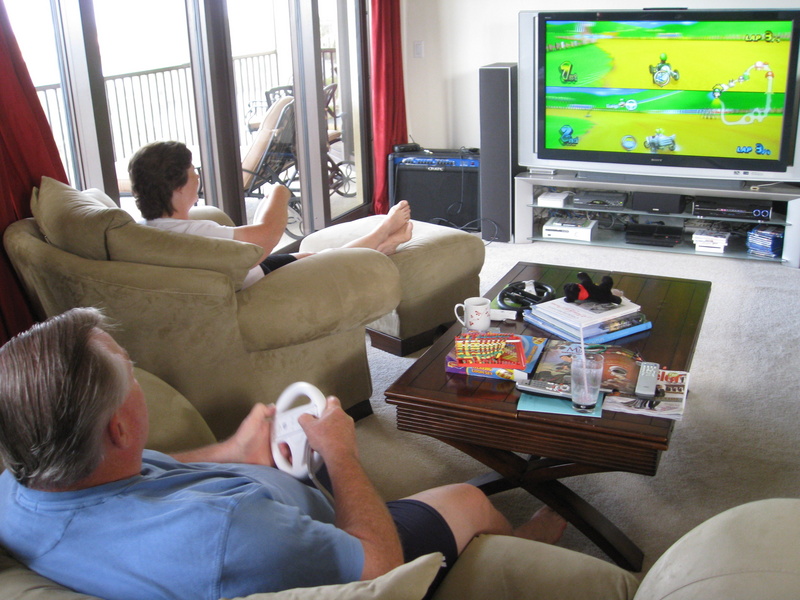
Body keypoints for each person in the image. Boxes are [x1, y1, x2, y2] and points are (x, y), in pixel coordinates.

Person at [0, 308, 567, 600]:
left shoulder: (22, 486)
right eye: (133, 376)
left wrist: (231, 452)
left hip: (269, 513)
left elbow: (142, 478)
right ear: (120, 430)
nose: (140, 381)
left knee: (307, 446)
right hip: (336, 548)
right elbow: (378, 571)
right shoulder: (225, 531)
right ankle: (510, 549)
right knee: (465, 497)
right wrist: (342, 453)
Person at [128, 141, 414, 288]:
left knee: (308, 256)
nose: (198, 179)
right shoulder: (192, 235)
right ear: (175, 188)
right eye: (193, 173)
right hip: (253, 281)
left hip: (247, 269)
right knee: (327, 260)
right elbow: (265, 238)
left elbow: (253, 237)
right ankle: (381, 233)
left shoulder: (148, 229)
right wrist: (278, 193)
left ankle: (382, 247)